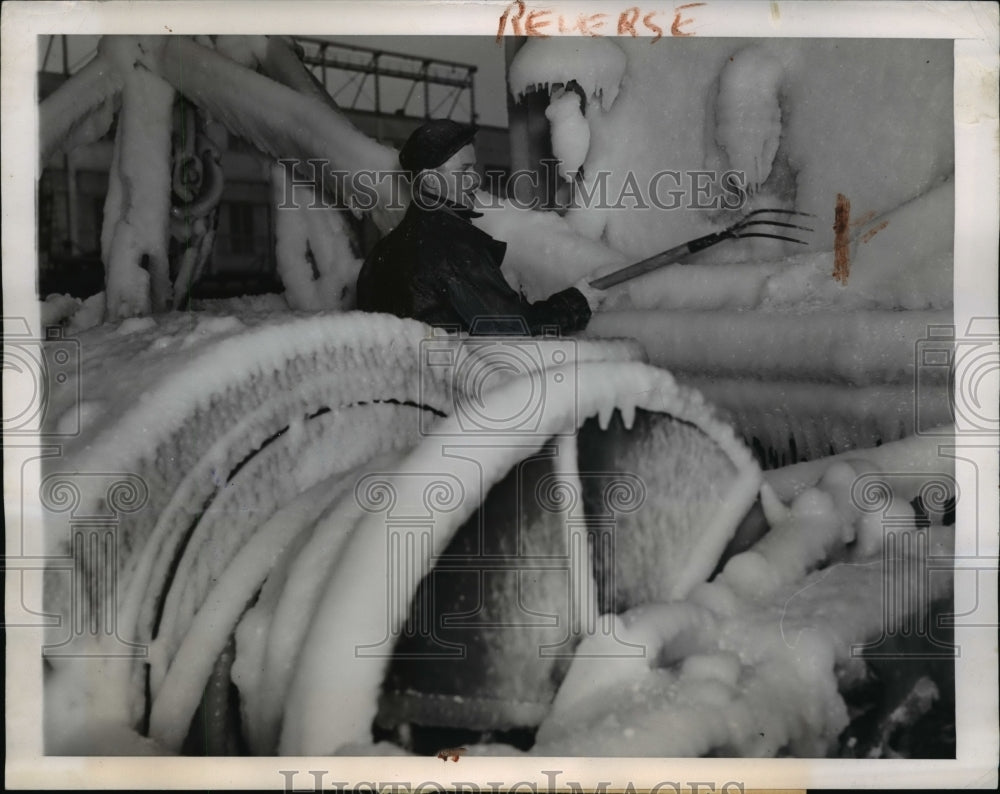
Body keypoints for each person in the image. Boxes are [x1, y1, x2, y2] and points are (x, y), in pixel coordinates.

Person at [355, 119, 607, 335]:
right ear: (430, 181)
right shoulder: (450, 245)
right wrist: (577, 302)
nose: (475, 179)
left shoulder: (382, 252)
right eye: (464, 171)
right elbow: (511, 327)